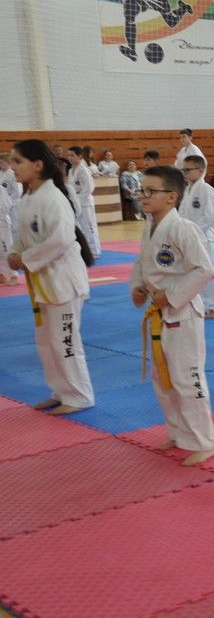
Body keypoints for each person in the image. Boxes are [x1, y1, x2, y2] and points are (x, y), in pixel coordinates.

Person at [131, 165, 214, 466]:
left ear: (171, 197)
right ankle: (179, 434)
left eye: (150, 191)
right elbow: (143, 263)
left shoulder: (183, 228)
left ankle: (204, 440)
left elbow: (204, 270)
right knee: (162, 378)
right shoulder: (150, 226)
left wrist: (171, 294)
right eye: (142, 190)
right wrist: (138, 287)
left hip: (183, 315)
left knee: (186, 378)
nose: (143, 195)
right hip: (159, 314)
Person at [6, 140, 95, 414]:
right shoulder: (28, 198)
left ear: (38, 165)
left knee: (65, 341)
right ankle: (60, 391)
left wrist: (27, 258)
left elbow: (62, 239)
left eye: (17, 161)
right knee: (46, 341)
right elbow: (22, 236)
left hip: (63, 282)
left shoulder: (54, 197)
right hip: (43, 282)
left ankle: (79, 396)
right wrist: (15, 253)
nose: (12, 167)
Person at [179, 155, 214, 318]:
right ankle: (203, 304)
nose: (184, 173)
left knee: (211, 271)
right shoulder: (188, 189)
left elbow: (211, 212)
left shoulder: (205, 188)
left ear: (200, 170)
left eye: (187, 170)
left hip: (204, 236)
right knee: (196, 273)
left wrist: (196, 231)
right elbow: (182, 214)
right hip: (190, 237)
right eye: (183, 170)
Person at [66, 146, 102, 258]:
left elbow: (89, 187)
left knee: (89, 227)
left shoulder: (83, 170)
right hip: (76, 203)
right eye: (68, 155)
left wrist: (78, 199)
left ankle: (94, 251)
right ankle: (85, 250)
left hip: (85, 202)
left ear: (80, 156)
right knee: (80, 227)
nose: (70, 158)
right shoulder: (71, 170)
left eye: (72, 155)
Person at [0, 153, 19, 285]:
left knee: (6, 248)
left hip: (3, 220)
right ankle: (2, 275)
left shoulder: (11, 175)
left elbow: (7, 202)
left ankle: (13, 275)